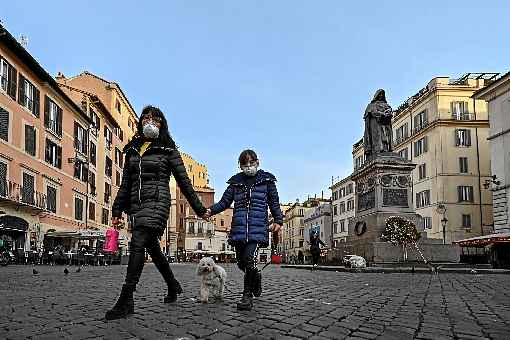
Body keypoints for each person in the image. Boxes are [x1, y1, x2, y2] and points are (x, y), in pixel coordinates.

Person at [105, 105, 208, 320]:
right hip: (137, 205)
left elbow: (185, 183)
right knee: (153, 248)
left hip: (159, 203)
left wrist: (200, 209)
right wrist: (116, 209)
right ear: (141, 122)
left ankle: (126, 298)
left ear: (162, 124)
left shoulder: (168, 150)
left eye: (155, 119)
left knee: (137, 243)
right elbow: (126, 183)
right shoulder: (132, 150)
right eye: (146, 118)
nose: (150, 121)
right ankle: (173, 285)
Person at [204, 149, 283, 311]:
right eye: (245, 164)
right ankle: (256, 276)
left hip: (257, 228)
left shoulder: (267, 181)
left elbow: (274, 203)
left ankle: (247, 296)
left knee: (248, 259)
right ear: (240, 166)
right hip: (239, 229)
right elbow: (224, 202)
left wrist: (279, 221)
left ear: (257, 162)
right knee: (241, 263)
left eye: (251, 163)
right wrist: (210, 210)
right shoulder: (235, 182)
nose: (248, 167)